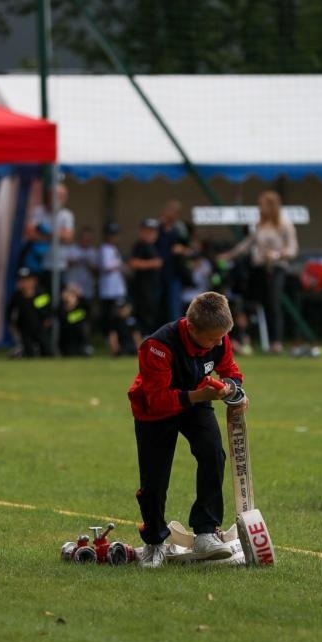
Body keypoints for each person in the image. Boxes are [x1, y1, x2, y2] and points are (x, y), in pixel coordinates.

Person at [128, 290, 246, 568]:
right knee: (154, 479)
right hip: (154, 411)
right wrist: (197, 396)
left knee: (213, 454)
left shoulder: (219, 336)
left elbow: (229, 368)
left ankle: (206, 531)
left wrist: (233, 389)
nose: (218, 343)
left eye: (222, 337)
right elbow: (156, 398)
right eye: (213, 339)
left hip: (195, 400)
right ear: (192, 329)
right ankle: (155, 543)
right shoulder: (156, 346)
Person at [221, 190, 298, 353]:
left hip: (276, 268)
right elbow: (247, 244)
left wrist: (276, 255)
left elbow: (293, 249)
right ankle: (241, 338)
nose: (259, 208)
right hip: (259, 268)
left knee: (273, 304)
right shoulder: (259, 224)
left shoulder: (284, 224)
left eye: (261, 204)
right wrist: (229, 255)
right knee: (249, 303)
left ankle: (276, 342)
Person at [24, 182, 75, 292]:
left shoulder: (67, 215)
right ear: (49, 196)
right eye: (55, 195)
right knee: (40, 297)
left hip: (59, 265)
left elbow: (68, 237)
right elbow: (29, 234)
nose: (58, 199)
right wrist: (57, 235)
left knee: (58, 295)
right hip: (39, 265)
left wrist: (45, 232)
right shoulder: (39, 211)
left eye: (61, 196)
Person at [98, 221, 139, 356]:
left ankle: (128, 345)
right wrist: (122, 266)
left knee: (126, 320)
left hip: (118, 290)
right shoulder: (104, 249)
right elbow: (107, 266)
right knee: (112, 321)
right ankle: (113, 347)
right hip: (108, 292)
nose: (114, 237)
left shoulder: (114, 250)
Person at [127, 217, 163, 337]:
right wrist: (153, 263)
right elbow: (133, 263)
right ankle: (142, 339)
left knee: (152, 314)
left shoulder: (153, 246)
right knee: (143, 315)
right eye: (149, 231)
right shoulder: (140, 245)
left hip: (152, 288)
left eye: (153, 231)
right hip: (142, 288)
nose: (152, 234)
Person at [7, 267, 54, 357]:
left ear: (34, 281)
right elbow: (10, 310)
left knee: (46, 349)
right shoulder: (18, 296)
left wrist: (47, 319)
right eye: (22, 280)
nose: (24, 283)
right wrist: (12, 324)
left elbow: (47, 309)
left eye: (27, 280)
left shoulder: (40, 294)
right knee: (29, 351)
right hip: (24, 328)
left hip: (39, 327)